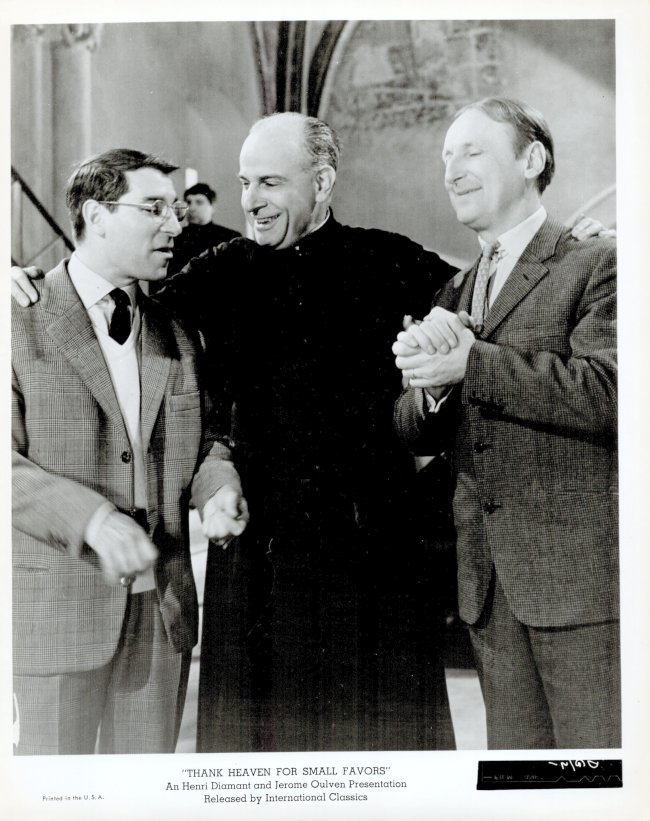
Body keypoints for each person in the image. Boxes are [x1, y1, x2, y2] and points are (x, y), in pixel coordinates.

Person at [11, 114, 609, 754]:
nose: (250, 201)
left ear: (322, 182)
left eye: (269, 182)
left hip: (373, 559)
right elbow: (107, 304)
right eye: (245, 183)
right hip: (258, 562)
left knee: (382, 749)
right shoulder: (217, 272)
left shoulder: (390, 260)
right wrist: (24, 282)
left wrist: (575, 245)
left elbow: (498, 298)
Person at [393, 97, 618, 749]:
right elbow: (414, 428)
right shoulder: (454, 290)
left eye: (472, 151)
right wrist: (430, 386)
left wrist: (472, 362)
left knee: (594, 772)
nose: (452, 170)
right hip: (489, 589)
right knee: (519, 777)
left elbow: (610, 392)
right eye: (446, 157)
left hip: (579, 588)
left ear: (531, 159)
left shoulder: (597, 263)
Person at [12, 148, 246, 755]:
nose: (174, 225)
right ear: (97, 215)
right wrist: (93, 520)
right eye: (155, 208)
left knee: (143, 797)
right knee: (51, 795)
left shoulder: (177, 330)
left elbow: (205, 442)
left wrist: (218, 489)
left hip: (161, 619)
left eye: (176, 210)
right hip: (55, 617)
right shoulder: (17, 320)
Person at [166, 182, 239, 276]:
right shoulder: (175, 237)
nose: (192, 208)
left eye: (199, 202)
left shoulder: (230, 238)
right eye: (188, 202)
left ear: (212, 206)